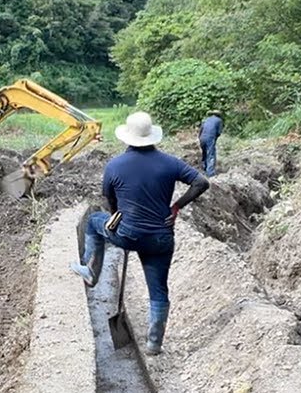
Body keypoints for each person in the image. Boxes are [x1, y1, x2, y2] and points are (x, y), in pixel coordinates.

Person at [70, 111, 210, 355]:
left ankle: (91, 271)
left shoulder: (115, 165)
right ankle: (154, 343)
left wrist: (119, 217)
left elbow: (110, 201)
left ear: (127, 137)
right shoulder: (170, 163)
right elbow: (202, 182)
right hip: (160, 238)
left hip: (127, 233)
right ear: (151, 136)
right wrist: (176, 206)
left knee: (93, 221)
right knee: (158, 290)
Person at [199, 109, 223, 177]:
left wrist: (200, 138)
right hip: (210, 138)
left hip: (202, 137)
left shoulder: (206, 120)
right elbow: (218, 132)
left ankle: (204, 169)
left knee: (204, 153)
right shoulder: (219, 120)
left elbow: (201, 129)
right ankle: (210, 173)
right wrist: (214, 139)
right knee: (211, 154)